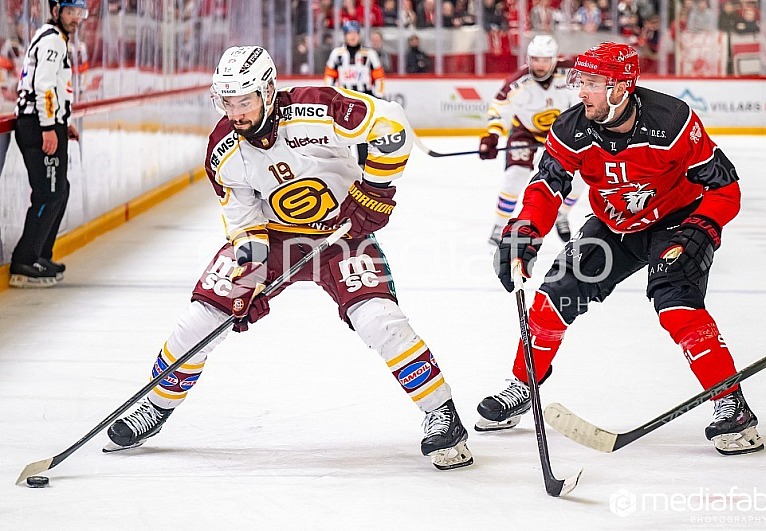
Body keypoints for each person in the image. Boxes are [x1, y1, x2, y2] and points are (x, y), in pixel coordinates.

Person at [104, 46, 473, 471]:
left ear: (268, 91)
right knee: (206, 315)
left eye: (244, 100)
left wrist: (376, 190)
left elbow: (391, 125)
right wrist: (249, 275)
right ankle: (153, 405)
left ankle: (442, 415)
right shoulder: (222, 150)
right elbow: (243, 222)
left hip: (343, 233)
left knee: (378, 318)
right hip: (275, 238)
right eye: (227, 102)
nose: (236, 112)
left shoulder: (317, 107)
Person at [478, 42, 763, 456]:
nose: (581, 92)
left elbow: (724, 188)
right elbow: (546, 186)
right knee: (553, 297)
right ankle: (524, 385)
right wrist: (526, 229)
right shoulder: (571, 128)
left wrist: (703, 227)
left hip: (677, 222)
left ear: (621, 87)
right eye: (581, 81)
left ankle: (730, 403)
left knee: (676, 304)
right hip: (615, 227)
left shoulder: (673, 122)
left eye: (591, 83)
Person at [8, 0, 87, 288]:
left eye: (79, 13)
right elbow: (42, 86)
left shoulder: (54, 38)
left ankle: (39, 255)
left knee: (59, 190)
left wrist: (61, 122)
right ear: (56, 12)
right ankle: (25, 261)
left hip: (46, 123)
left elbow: (53, 86)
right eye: (70, 12)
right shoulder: (53, 40)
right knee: (49, 193)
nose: (75, 18)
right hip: (37, 125)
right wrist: (47, 126)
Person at [479, 35, 581, 246]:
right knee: (515, 177)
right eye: (535, 59)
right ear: (528, 58)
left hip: (561, 135)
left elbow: (588, 96)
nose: (540, 65)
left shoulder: (571, 73)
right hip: (525, 132)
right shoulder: (517, 83)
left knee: (581, 177)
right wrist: (492, 135)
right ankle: (499, 226)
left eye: (545, 60)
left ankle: (561, 214)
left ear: (554, 59)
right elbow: (499, 108)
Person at [324, 21, 385, 167]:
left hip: (364, 96)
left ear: (359, 34)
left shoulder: (369, 54)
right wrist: (328, 96)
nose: (352, 36)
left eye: (355, 33)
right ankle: (345, 164)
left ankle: (363, 163)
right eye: (349, 33)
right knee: (344, 130)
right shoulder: (337, 54)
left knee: (363, 130)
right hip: (344, 98)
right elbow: (329, 77)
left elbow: (379, 77)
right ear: (345, 36)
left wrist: (378, 96)